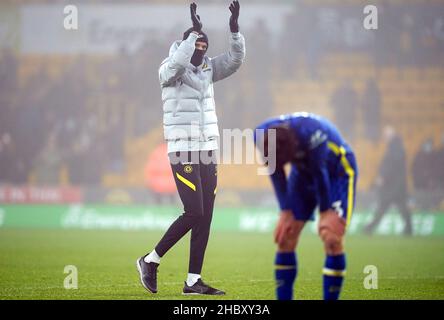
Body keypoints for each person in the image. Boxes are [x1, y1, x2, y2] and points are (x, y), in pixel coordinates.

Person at [137, 1, 245, 296]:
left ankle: (193, 281)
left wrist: (234, 30)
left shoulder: (208, 69)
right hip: (183, 149)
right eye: (196, 42)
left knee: (205, 215)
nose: (201, 48)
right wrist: (194, 32)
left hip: (208, 149)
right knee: (194, 211)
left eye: (204, 43)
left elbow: (235, 61)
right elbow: (175, 65)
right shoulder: (169, 69)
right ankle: (150, 260)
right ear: (186, 44)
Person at [254, 112, 358, 300]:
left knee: (331, 237)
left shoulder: (312, 133)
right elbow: (275, 172)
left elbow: (320, 173)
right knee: (286, 235)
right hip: (302, 173)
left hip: (337, 171)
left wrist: (325, 211)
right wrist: (285, 210)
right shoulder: (261, 135)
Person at [364, 126, 413, 236]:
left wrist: (383, 176)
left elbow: (391, 164)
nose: (384, 138)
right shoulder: (396, 146)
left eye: (386, 135)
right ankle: (408, 228)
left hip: (393, 185)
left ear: (390, 135)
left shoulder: (395, 148)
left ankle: (370, 227)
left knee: (385, 206)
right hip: (397, 184)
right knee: (398, 207)